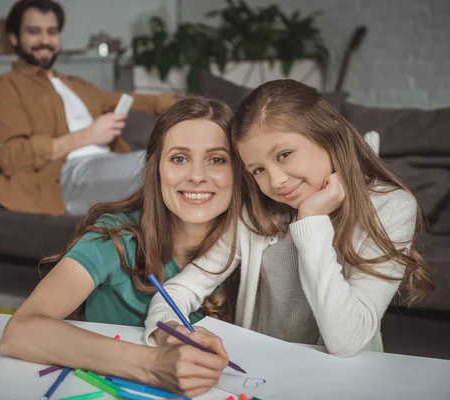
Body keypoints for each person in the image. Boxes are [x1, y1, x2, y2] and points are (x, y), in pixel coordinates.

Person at [145, 79, 435, 358]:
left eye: (284, 154)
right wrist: (169, 331)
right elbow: (182, 289)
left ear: (328, 135)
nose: (277, 181)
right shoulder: (259, 210)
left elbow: (347, 341)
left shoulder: (391, 208)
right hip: (260, 376)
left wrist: (310, 220)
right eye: (257, 170)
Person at [0, 97, 246, 397]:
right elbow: (19, 332)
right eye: (179, 158)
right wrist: (152, 364)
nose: (196, 176)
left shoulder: (252, 246)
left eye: (217, 159)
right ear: (156, 168)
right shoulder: (115, 235)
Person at [0, 0, 177, 216]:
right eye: (34, 32)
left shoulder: (74, 85)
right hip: (63, 177)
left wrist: (174, 103)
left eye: (52, 32)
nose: (45, 40)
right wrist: (88, 136)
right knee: (164, 165)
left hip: (108, 163)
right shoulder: (5, 87)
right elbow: (11, 157)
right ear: (14, 38)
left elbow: (122, 99)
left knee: (184, 162)